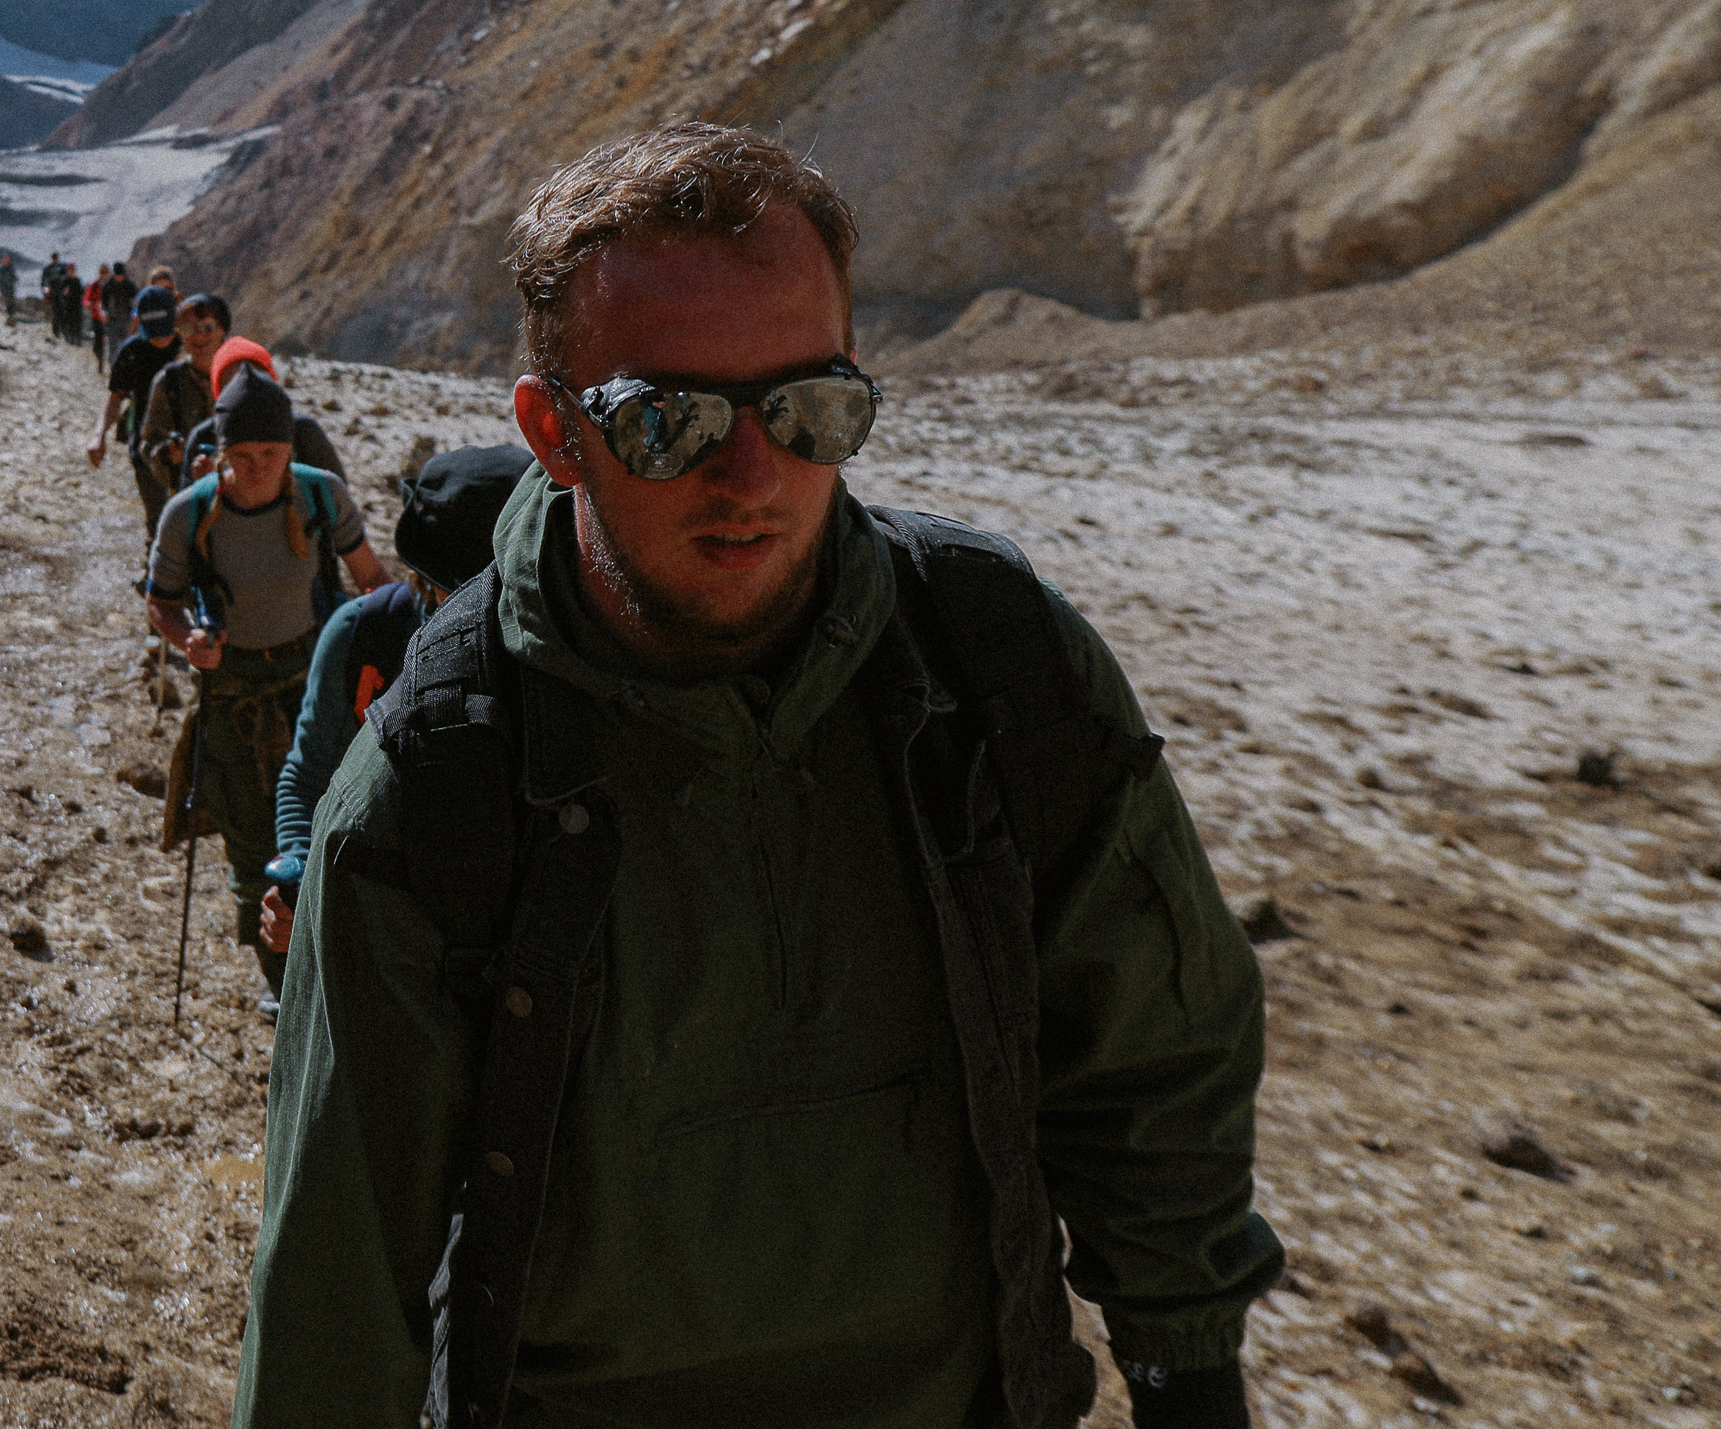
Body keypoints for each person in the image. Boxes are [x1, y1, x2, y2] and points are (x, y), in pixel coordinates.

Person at [237, 124, 1281, 1429]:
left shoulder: (992, 669)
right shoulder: (441, 776)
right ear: (554, 432)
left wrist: (1193, 1376)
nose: (756, 477)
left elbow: (1153, 1057)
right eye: (670, 420)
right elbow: (338, 1286)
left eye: (811, 409)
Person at [146, 371, 387, 1009]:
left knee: (327, 826)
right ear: (221, 452)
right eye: (242, 457)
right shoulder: (188, 514)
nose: (257, 470)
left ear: (291, 449)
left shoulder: (321, 497)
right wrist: (187, 641)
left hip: (314, 685)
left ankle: (324, 960)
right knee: (252, 843)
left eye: (272, 455)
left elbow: (372, 582)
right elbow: (160, 602)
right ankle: (283, 987)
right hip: (232, 698)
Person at [258, 443, 532, 960]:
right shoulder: (361, 635)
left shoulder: (536, 655)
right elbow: (307, 773)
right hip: (359, 912)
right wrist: (299, 875)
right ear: (423, 578)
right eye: (455, 592)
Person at [183, 337, 347, 482]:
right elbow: (186, 511)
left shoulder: (303, 431)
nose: (245, 388)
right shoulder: (203, 437)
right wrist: (203, 486)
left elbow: (338, 497)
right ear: (219, 394)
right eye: (232, 386)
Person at [91, 285, 184, 533]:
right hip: (146, 446)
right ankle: (154, 567)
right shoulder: (132, 352)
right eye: (153, 332)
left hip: (188, 445)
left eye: (164, 330)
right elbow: (114, 400)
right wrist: (98, 435)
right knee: (158, 520)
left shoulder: (189, 347)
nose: (160, 338)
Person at [138, 291, 230, 498]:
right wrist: (168, 455)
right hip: (189, 497)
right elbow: (148, 445)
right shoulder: (168, 382)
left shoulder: (242, 377)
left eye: (207, 326)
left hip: (242, 495)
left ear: (222, 329)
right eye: (188, 328)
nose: (198, 336)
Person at [100, 261, 137, 359]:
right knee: (113, 347)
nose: (120, 278)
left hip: (127, 320)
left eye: (121, 275)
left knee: (127, 346)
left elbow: (137, 300)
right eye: (118, 275)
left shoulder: (130, 285)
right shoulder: (108, 286)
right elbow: (103, 302)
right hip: (112, 320)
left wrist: (134, 314)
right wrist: (104, 313)